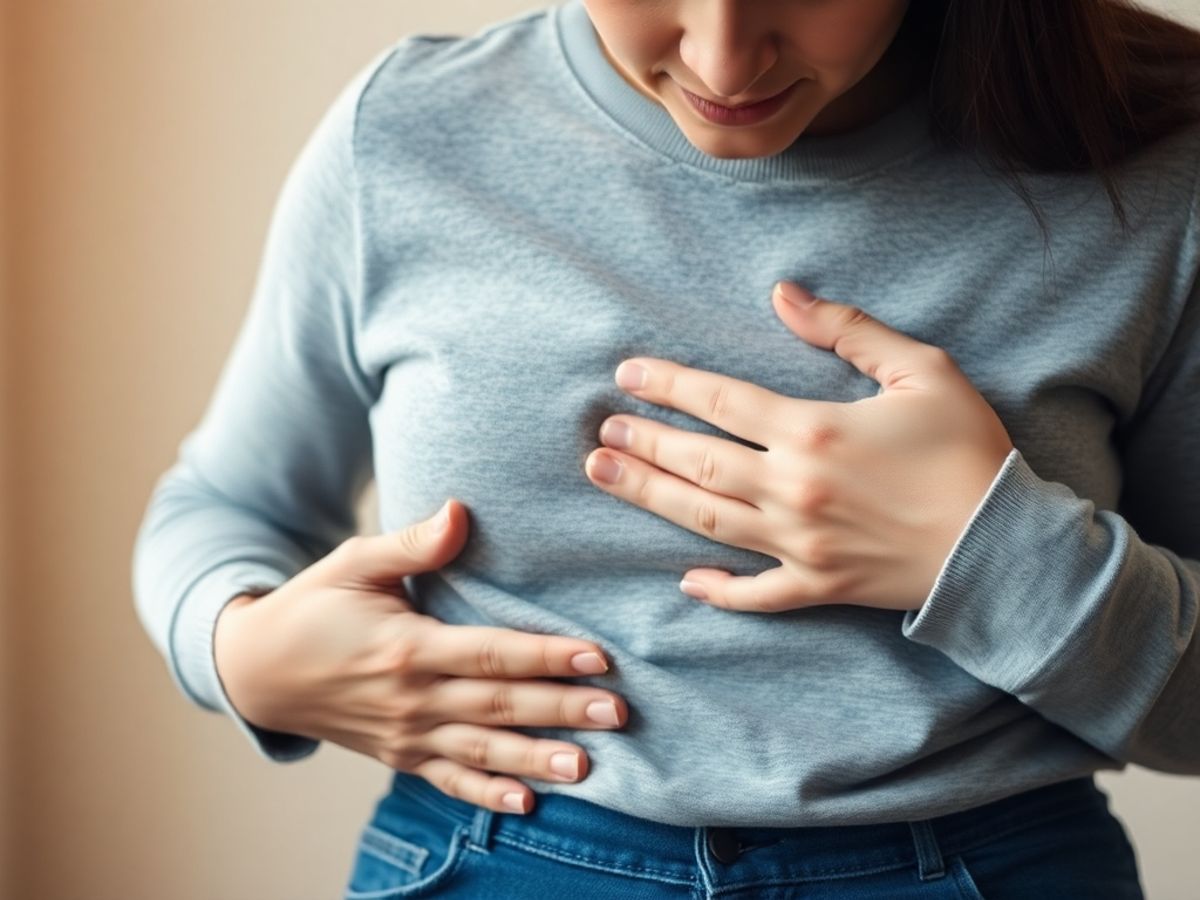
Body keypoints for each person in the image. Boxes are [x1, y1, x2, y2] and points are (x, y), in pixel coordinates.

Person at [131, 0, 1200, 896]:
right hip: (487, 857)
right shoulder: (404, 131)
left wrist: (998, 557)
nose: (721, 58)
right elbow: (225, 504)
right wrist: (240, 654)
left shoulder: (1162, 165)